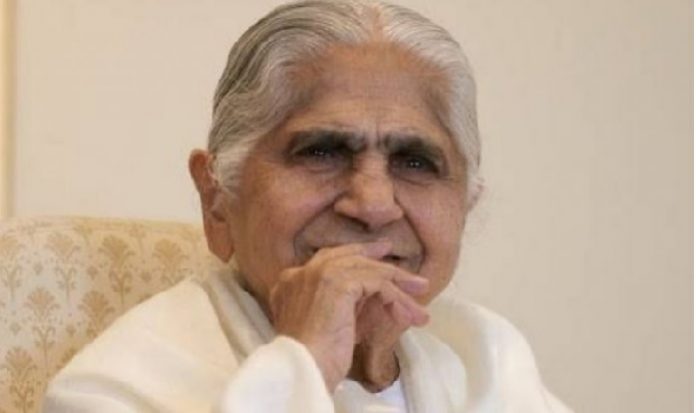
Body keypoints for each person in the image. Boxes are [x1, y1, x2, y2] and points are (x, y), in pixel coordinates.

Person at [44, 1, 572, 412]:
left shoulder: (485, 358)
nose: (373, 205)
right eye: (321, 152)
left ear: (466, 203)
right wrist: (305, 366)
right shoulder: (115, 390)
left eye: (415, 162)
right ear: (217, 198)